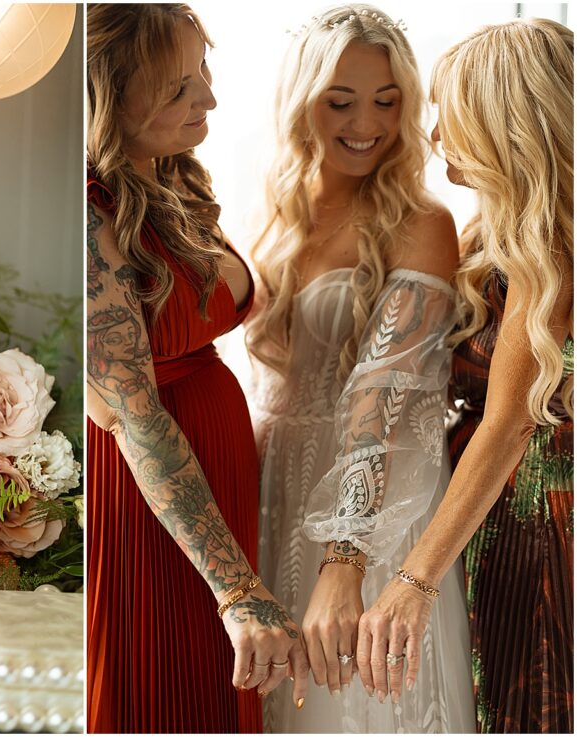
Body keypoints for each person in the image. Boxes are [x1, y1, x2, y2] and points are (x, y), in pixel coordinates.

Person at [246, 5, 475, 732]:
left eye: (387, 99)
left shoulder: (421, 221)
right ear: (301, 102)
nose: (365, 122)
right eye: (340, 100)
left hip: (375, 513)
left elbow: (383, 399)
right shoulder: (273, 217)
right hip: (273, 490)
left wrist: (344, 564)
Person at [85, 4, 308, 732]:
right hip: (149, 507)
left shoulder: (172, 176)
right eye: (178, 86)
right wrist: (237, 589)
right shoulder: (89, 212)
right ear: (105, 96)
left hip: (215, 484)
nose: (207, 98)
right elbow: (134, 414)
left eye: (202, 73)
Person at [358, 18, 574, 733]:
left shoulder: (554, 249)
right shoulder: (492, 232)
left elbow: (510, 422)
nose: (436, 132)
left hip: (541, 531)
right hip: (492, 524)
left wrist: (412, 580)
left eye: (454, 112)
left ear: (504, 121)